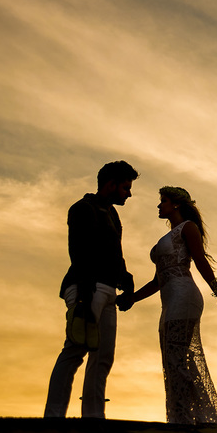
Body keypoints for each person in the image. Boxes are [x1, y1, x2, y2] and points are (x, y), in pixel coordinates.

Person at [119, 186, 217, 424]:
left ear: (176, 204)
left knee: (178, 360)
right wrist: (132, 298)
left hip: (184, 297)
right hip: (168, 301)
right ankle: (182, 416)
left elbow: (199, 260)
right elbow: (158, 280)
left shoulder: (188, 228)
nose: (159, 205)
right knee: (172, 360)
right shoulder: (168, 236)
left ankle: (191, 420)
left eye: (163, 201)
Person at [44, 160, 138, 418]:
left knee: (103, 356)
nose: (129, 193)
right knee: (75, 350)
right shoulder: (82, 208)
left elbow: (115, 255)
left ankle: (93, 417)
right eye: (125, 188)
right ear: (110, 184)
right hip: (87, 287)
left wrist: (127, 283)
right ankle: (53, 418)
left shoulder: (113, 214)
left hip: (107, 289)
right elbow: (79, 253)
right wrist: (84, 296)